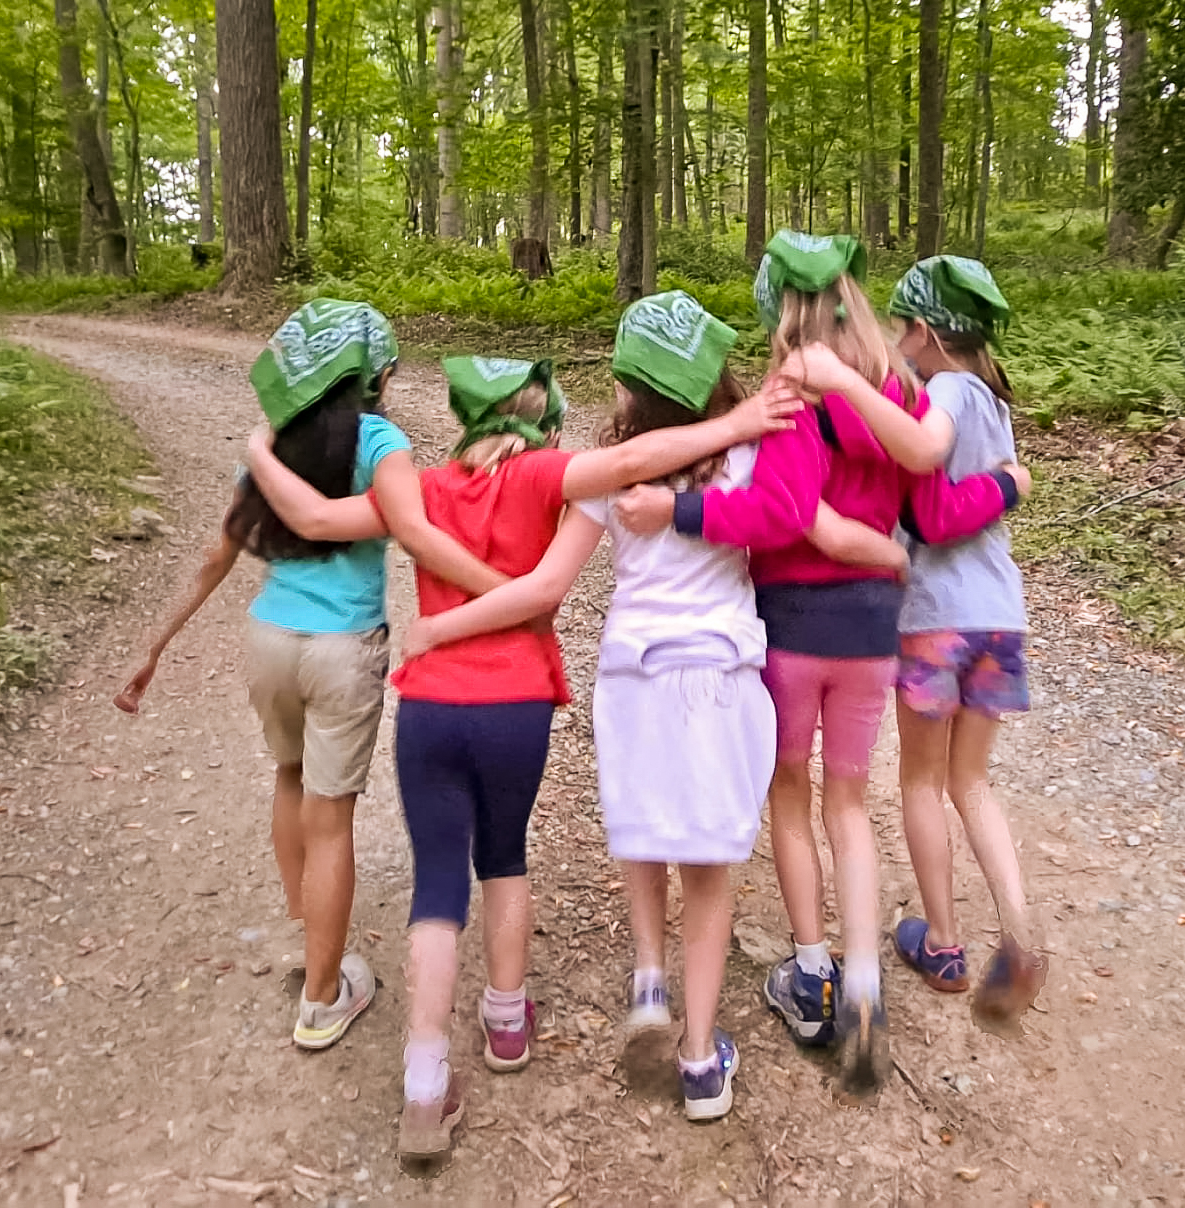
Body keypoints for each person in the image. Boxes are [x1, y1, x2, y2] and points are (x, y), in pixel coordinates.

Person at [242, 352, 800, 1163]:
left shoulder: (424, 488)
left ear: (465, 416)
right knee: (504, 858)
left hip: (430, 704)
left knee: (438, 880)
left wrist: (259, 451)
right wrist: (742, 423)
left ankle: (425, 1078)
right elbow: (638, 465)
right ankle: (508, 1023)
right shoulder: (552, 475)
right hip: (517, 704)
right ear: (544, 416)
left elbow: (321, 521)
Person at [616, 233, 1025, 1094]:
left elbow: (779, 510)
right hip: (875, 634)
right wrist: (990, 494)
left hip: (794, 625)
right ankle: (868, 984)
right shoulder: (902, 393)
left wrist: (683, 511)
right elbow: (931, 499)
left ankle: (812, 969)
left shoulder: (796, 392)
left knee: (790, 796)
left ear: (778, 314)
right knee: (850, 802)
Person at [115, 299, 507, 1054]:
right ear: (377, 377)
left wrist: (154, 647)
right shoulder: (380, 441)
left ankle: (311, 932)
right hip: (341, 649)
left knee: (288, 780)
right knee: (331, 819)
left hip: (269, 640)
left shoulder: (275, 447)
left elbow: (215, 555)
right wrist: (504, 592)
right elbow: (418, 534)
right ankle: (324, 997)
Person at [788, 256, 1046, 1035]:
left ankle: (942, 943)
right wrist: (1010, 485)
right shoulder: (997, 403)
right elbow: (978, 486)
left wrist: (842, 381)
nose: (895, 343)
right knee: (973, 783)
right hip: (1000, 616)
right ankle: (1021, 929)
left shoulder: (943, 394)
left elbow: (926, 467)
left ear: (926, 332)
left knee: (922, 786)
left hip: (934, 616)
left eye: (901, 330)